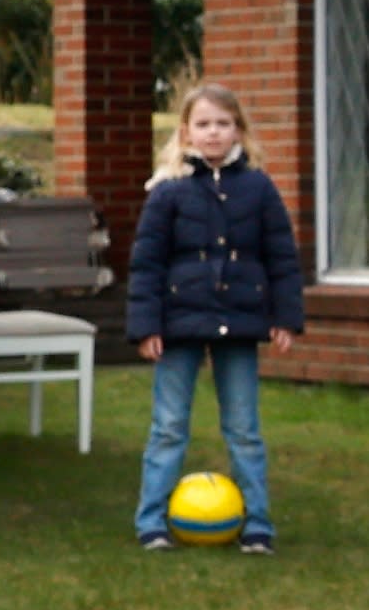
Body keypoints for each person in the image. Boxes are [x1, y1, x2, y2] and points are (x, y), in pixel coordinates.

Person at [124, 80, 305, 552]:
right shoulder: (167, 192)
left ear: (239, 131)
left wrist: (285, 318)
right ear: (186, 132)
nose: (213, 133)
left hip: (239, 323)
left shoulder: (259, 189)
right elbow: (147, 264)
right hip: (177, 326)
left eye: (223, 123)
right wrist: (146, 326)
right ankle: (152, 521)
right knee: (168, 428)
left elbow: (282, 258)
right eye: (203, 124)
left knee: (244, 430)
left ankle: (258, 524)